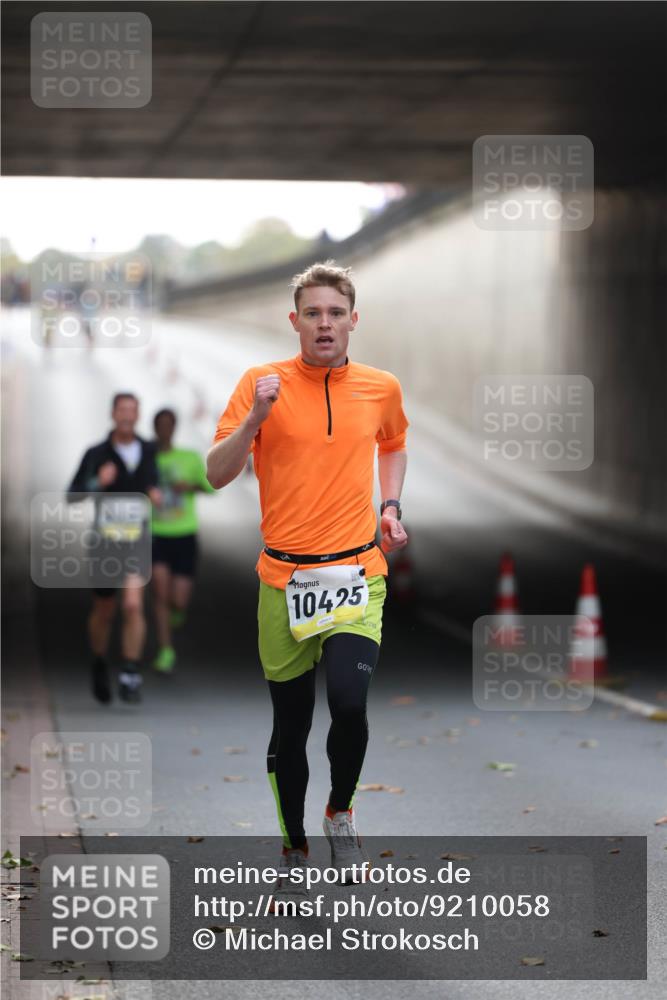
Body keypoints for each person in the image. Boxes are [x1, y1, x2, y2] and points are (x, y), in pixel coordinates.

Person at [207, 260, 408, 902]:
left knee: (349, 703)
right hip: (284, 580)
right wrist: (254, 419)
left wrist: (390, 506)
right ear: (294, 322)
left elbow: (393, 443)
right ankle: (294, 842)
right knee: (290, 727)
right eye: (313, 313)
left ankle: (339, 813)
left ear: (354, 320)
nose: (325, 324)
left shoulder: (380, 387)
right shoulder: (259, 384)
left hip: (357, 573)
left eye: (336, 313)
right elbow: (216, 473)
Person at [67, 392, 160, 704]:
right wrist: (98, 482)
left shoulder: (148, 450)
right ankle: (98, 662)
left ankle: (130, 672)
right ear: (113, 414)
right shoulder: (97, 453)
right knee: (105, 610)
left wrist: (156, 494)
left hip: (137, 541)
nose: (127, 416)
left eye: (132, 410)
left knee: (132, 605)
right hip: (105, 543)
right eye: (122, 410)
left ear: (138, 415)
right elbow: (73, 495)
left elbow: (155, 483)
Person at [151, 408, 215, 673]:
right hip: (155, 533)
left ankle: (177, 611)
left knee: (178, 599)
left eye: (169, 424)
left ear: (174, 427)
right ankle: (166, 650)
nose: (165, 429)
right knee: (160, 593)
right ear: (155, 428)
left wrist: (188, 486)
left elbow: (211, 486)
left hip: (184, 533)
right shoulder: (147, 458)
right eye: (161, 424)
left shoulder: (189, 458)